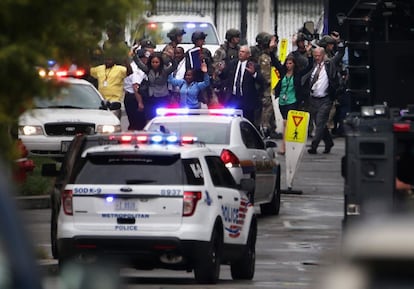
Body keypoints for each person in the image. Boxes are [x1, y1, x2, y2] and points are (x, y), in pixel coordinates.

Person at [302, 43, 345, 154]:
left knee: (321, 122)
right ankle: (329, 142)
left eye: (319, 55)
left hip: (325, 99)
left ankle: (314, 146)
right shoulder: (312, 65)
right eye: (315, 55)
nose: (317, 58)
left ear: (323, 55)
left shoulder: (329, 64)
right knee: (319, 123)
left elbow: (339, 55)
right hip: (313, 98)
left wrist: (340, 46)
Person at [270, 46, 313, 155]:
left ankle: (284, 146)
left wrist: (309, 55)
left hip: (292, 101)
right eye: (287, 63)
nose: (288, 66)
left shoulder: (298, 75)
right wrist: (272, 50)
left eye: (290, 63)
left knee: (286, 123)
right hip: (282, 102)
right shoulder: (283, 73)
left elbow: (309, 67)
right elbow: (275, 62)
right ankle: (288, 145)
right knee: (286, 123)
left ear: (294, 64)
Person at [217, 45, 264, 125]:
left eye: (243, 52)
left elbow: (261, 81)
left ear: (248, 55)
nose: (240, 53)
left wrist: (254, 74)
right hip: (233, 98)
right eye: (240, 51)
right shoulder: (232, 64)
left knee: (246, 122)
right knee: (232, 120)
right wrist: (221, 71)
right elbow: (224, 76)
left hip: (246, 100)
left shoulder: (253, 66)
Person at [134, 52, 177, 121]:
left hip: (163, 97)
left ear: (160, 63)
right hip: (151, 97)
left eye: (157, 62)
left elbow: (174, 66)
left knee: (163, 118)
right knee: (150, 117)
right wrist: (134, 55)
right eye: (153, 62)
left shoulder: (165, 70)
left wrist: (171, 58)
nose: (155, 64)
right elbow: (139, 63)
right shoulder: (148, 70)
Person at [90, 52, 127, 119]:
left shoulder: (120, 69)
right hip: (101, 101)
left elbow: (129, 72)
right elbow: (89, 71)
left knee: (114, 121)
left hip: (114, 101)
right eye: (106, 59)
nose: (108, 61)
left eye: (110, 60)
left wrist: (126, 62)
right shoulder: (99, 68)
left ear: (114, 60)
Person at [212, 28, 241, 105]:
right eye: (236, 37)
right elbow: (216, 66)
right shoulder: (221, 51)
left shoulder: (240, 50)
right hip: (224, 81)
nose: (238, 39)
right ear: (231, 38)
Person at [185, 31, 214, 105]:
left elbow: (211, 65)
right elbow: (188, 67)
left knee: (206, 100)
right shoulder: (190, 52)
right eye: (201, 39)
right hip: (195, 80)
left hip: (205, 80)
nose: (203, 41)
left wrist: (206, 60)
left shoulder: (206, 51)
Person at [124, 49, 147, 130]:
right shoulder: (137, 69)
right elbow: (135, 87)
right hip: (134, 98)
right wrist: (140, 102)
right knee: (138, 124)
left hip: (130, 97)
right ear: (142, 58)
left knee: (134, 123)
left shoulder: (132, 66)